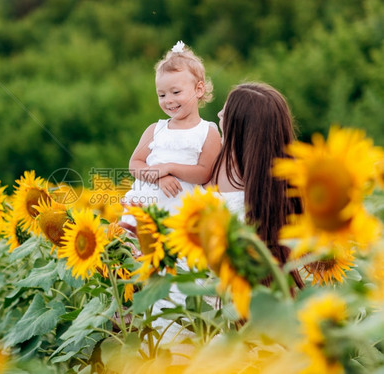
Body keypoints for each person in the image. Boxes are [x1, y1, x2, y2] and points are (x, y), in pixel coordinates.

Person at [205, 82, 304, 288]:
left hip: (221, 294)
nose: (219, 115)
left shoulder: (243, 195)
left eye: (225, 113)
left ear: (240, 128)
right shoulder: (277, 182)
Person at [121, 41, 221, 228]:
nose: (169, 100)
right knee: (132, 248)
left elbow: (204, 173)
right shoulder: (155, 129)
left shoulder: (208, 132)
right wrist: (159, 177)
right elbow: (135, 164)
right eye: (162, 95)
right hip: (145, 204)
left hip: (181, 210)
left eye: (175, 92)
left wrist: (169, 168)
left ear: (198, 89)